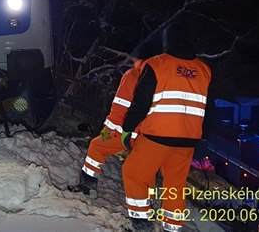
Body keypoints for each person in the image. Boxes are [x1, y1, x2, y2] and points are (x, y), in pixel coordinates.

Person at [120, 22, 212, 232]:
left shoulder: (156, 64)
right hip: (188, 140)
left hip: (157, 136)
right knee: (175, 185)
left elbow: (140, 103)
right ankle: (172, 227)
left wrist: (128, 128)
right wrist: (203, 137)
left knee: (133, 173)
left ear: (167, 41)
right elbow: (209, 108)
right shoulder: (204, 70)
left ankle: (141, 223)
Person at [68, 40, 160, 196]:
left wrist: (108, 130)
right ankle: (147, 202)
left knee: (96, 147)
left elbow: (120, 106)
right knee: (146, 168)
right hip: (146, 136)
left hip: (119, 131)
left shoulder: (132, 75)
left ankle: (87, 187)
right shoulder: (161, 79)